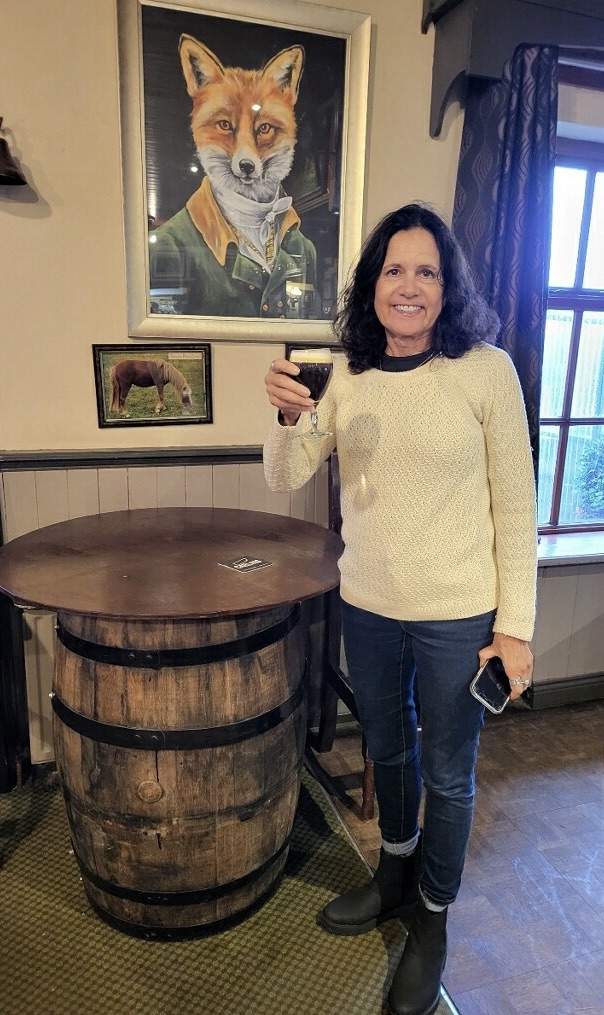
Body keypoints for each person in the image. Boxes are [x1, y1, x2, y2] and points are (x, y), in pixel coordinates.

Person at [263, 203, 537, 1015]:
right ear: (371, 284)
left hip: (459, 615)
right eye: (393, 270)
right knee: (387, 750)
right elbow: (286, 474)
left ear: (448, 287)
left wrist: (515, 630)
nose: (408, 286)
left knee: (449, 774)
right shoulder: (345, 373)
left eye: (426, 271)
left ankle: (433, 915)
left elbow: (516, 506)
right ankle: (393, 872)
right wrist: (286, 416)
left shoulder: (486, 370)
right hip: (370, 605)